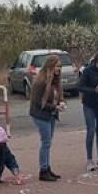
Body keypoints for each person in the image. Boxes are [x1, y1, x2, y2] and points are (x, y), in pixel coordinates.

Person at [29, 54, 66, 182]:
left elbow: (57, 96)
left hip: (50, 115)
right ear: (50, 66)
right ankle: (43, 170)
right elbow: (38, 102)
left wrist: (61, 102)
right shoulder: (40, 81)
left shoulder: (55, 81)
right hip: (40, 115)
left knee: (48, 142)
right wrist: (54, 107)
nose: (59, 69)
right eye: (57, 66)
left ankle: (47, 167)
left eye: (60, 67)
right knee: (46, 142)